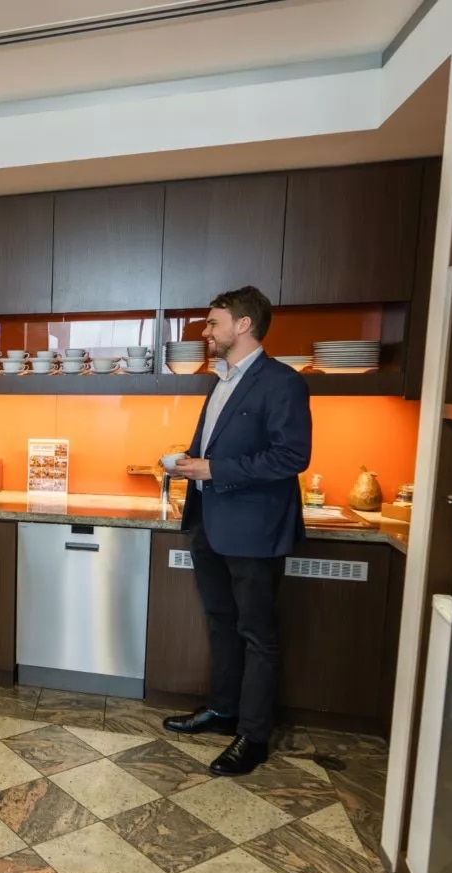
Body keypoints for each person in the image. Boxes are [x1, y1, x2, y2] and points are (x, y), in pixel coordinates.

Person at [164, 286, 312, 776]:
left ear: (243, 324)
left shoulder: (282, 382)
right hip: (209, 522)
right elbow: (218, 450)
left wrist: (214, 469)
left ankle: (253, 736)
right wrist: (191, 466)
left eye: (212, 323)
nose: (205, 333)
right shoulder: (222, 380)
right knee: (221, 623)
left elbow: (292, 457)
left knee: (257, 634)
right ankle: (223, 710)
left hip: (254, 529)